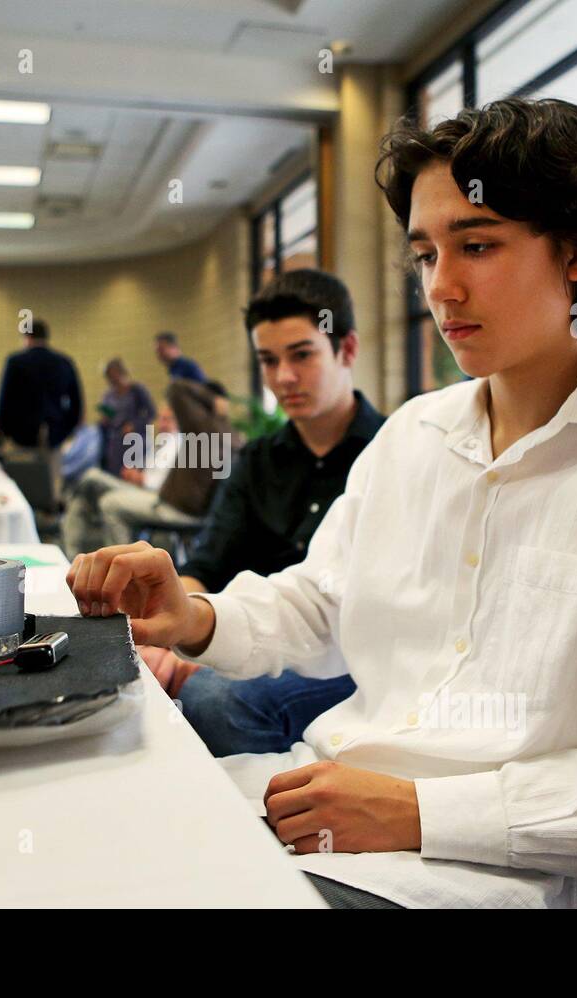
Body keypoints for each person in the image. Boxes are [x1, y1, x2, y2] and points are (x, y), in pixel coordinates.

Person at [68, 97, 577, 909]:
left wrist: (420, 811)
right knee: (73, 850)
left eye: (477, 246)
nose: (441, 288)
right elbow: (325, 599)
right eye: (424, 255)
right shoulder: (415, 435)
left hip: (490, 876)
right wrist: (195, 616)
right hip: (311, 807)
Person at [139, 269, 384, 758]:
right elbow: (205, 567)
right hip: (246, 633)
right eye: (269, 361)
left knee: (215, 700)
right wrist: (171, 634)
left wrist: (211, 653)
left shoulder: (391, 453)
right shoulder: (257, 460)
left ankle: (259, 825)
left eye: (302, 355)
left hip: (348, 657)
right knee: (141, 674)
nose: (283, 378)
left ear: (348, 350)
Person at [61, 406, 181, 557]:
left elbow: (164, 483)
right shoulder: (161, 443)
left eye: (168, 419)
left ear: (179, 421)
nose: (162, 423)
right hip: (137, 490)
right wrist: (135, 475)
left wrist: (141, 479)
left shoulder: (178, 443)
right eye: (161, 418)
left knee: (92, 476)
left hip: (151, 496)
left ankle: (120, 561)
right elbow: (151, 474)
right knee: (81, 501)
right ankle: (70, 559)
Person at [0, 318, 83, 449]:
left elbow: (6, 399)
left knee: (26, 469)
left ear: (27, 337)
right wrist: (66, 430)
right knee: (52, 468)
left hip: (22, 433)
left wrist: (6, 430)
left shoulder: (16, 362)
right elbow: (76, 401)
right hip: (54, 432)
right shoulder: (64, 362)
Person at [99, 358, 156, 476]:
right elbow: (107, 419)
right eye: (110, 377)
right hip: (116, 443)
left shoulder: (137, 390)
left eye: (115, 375)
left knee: (134, 475)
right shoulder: (108, 396)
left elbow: (151, 413)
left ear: (123, 373)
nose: (113, 379)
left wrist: (134, 425)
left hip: (136, 440)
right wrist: (105, 420)